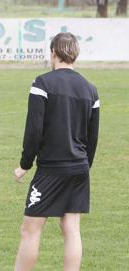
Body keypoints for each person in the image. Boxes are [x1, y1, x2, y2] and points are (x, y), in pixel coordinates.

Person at [13, 32, 100, 271]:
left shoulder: (42, 83)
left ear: (53, 53)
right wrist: (84, 166)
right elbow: (92, 138)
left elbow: (34, 129)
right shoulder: (90, 89)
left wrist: (25, 164)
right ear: (75, 53)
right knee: (71, 229)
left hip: (51, 170)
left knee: (30, 230)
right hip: (79, 168)